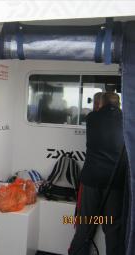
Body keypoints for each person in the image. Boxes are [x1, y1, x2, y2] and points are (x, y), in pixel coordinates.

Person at [69, 92, 126, 255]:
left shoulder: (92, 118)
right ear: (119, 104)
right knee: (113, 228)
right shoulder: (127, 120)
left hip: (91, 180)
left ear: (101, 104)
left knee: (85, 224)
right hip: (116, 182)